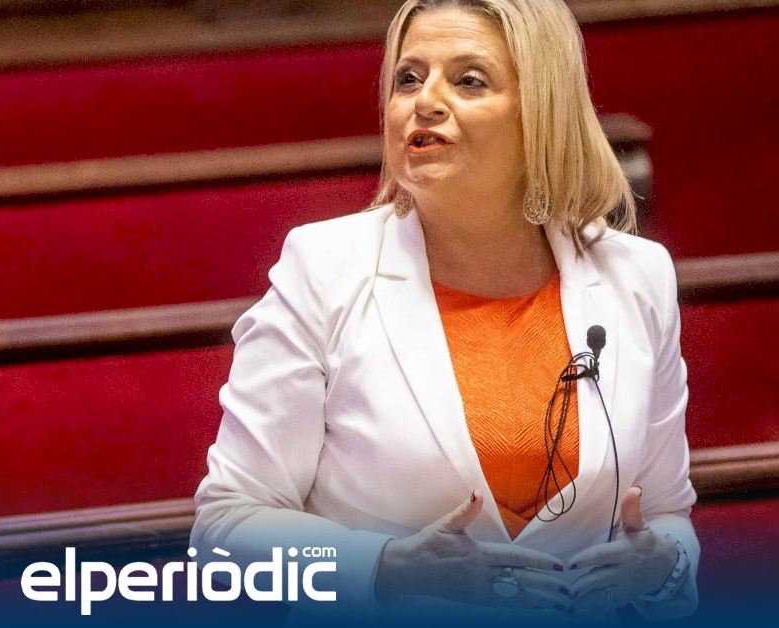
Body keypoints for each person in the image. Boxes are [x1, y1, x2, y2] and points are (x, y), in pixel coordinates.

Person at [190, 0, 698, 625]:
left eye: (468, 81)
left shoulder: (636, 275)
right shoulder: (324, 269)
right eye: (408, 79)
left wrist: (663, 567)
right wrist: (385, 568)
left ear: (543, 110)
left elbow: (666, 513)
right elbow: (226, 525)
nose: (425, 101)